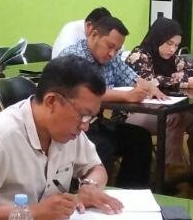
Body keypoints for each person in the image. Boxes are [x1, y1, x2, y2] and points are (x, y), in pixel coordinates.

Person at [0, 55, 123, 220]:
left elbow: (96, 167)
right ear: (52, 101)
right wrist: (31, 212)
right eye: (83, 115)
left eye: (90, 117)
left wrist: (90, 185)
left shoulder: (68, 131)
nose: (86, 126)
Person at [56, 16, 159, 188]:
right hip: (73, 125)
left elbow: (132, 77)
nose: (112, 53)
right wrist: (126, 97)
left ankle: (130, 193)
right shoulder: (73, 57)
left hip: (96, 122)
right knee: (103, 146)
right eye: (110, 46)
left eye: (117, 49)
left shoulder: (111, 59)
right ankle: (91, 193)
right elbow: (86, 93)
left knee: (140, 138)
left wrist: (150, 87)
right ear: (94, 35)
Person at [124, 17, 193, 174]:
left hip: (164, 106)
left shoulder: (171, 59)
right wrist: (182, 81)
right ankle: (169, 171)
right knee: (174, 117)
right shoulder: (139, 55)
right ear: (157, 38)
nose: (172, 49)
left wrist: (181, 76)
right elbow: (149, 82)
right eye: (169, 43)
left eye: (176, 45)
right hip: (135, 110)